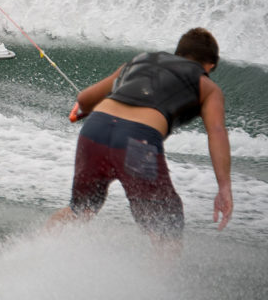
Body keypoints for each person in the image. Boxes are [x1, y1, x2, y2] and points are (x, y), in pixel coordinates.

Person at [49, 27, 232, 250]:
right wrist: (224, 187)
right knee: (167, 229)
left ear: (178, 52)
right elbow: (217, 132)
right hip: (137, 141)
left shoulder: (140, 60)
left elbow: (84, 99)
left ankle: (35, 251)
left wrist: (86, 110)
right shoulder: (208, 86)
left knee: (81, 209)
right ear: (210, 65)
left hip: (94, 131)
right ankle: (158, 282)